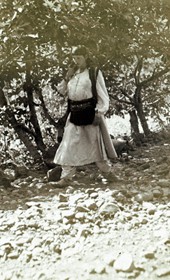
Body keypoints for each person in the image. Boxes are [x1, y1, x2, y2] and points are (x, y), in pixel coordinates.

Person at [50, 46, 118, 186]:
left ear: (86, 57)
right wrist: (66, 77)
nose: (76, 61)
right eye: (74, 58)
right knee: (68, 146)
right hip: (74, 113)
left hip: (90, 112)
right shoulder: (72, 74)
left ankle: (108, 173)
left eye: (79, 58)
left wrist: (99, 112)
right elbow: (62, 91)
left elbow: (102, 94)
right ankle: (66, 178)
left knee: (96, 146)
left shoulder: (94, 73)